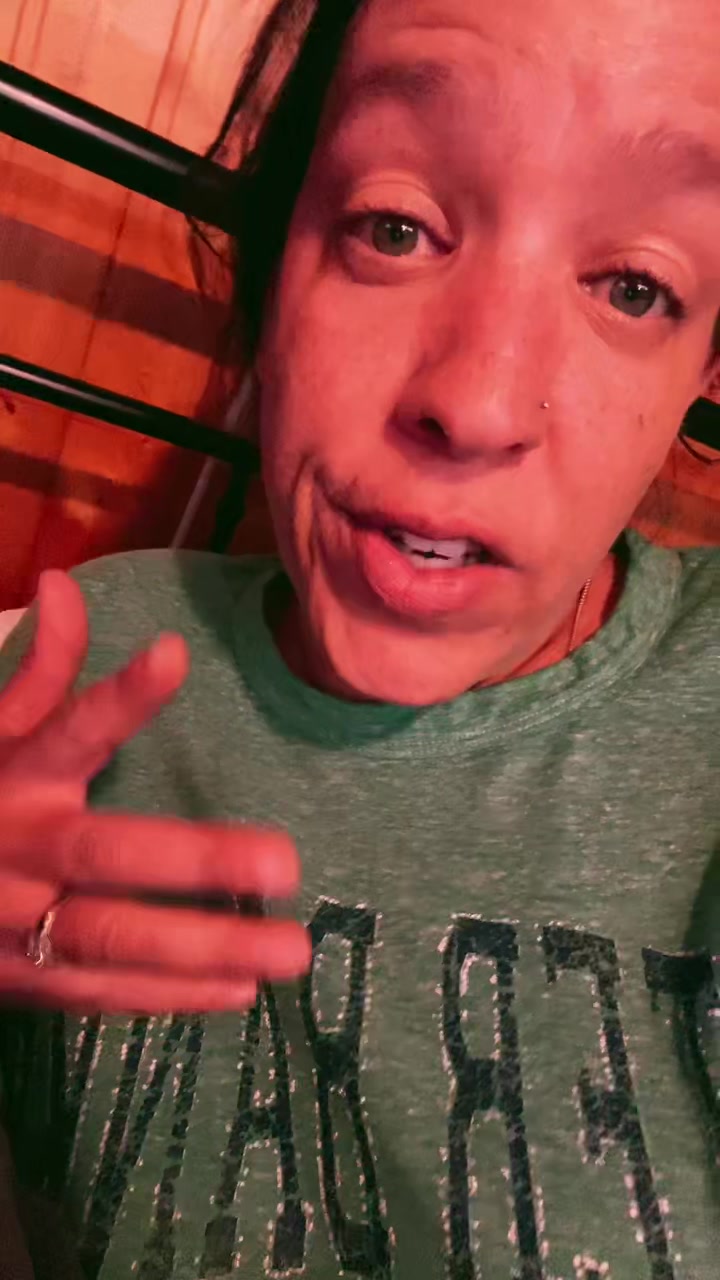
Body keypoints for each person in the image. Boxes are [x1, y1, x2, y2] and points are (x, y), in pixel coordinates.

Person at [0, 0, 718, 1275]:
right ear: (283, 242)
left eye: (634, 287)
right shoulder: (84, 664)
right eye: (394, 226)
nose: (476, 402)